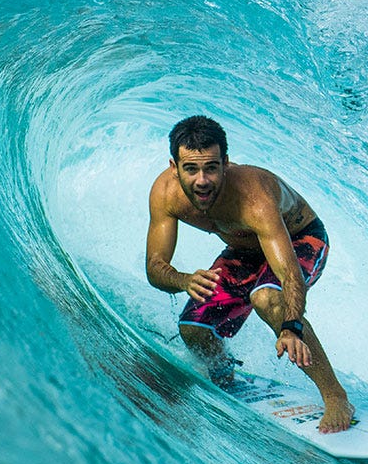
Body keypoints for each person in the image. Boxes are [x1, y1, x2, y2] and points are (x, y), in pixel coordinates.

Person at [145, 115, 354, 433]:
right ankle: (223, 371)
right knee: (193, 329)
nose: (202, 180)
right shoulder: (164, 194)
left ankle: (336, 396)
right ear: (174, 166)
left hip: (300, 239)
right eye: (191, 169)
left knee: (267, 298)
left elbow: (289, 276)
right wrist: (184, 280)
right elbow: (155, 268)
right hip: (244, 250)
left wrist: (291, 327)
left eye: (212, 168)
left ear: (225, 163)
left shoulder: (253, 199)